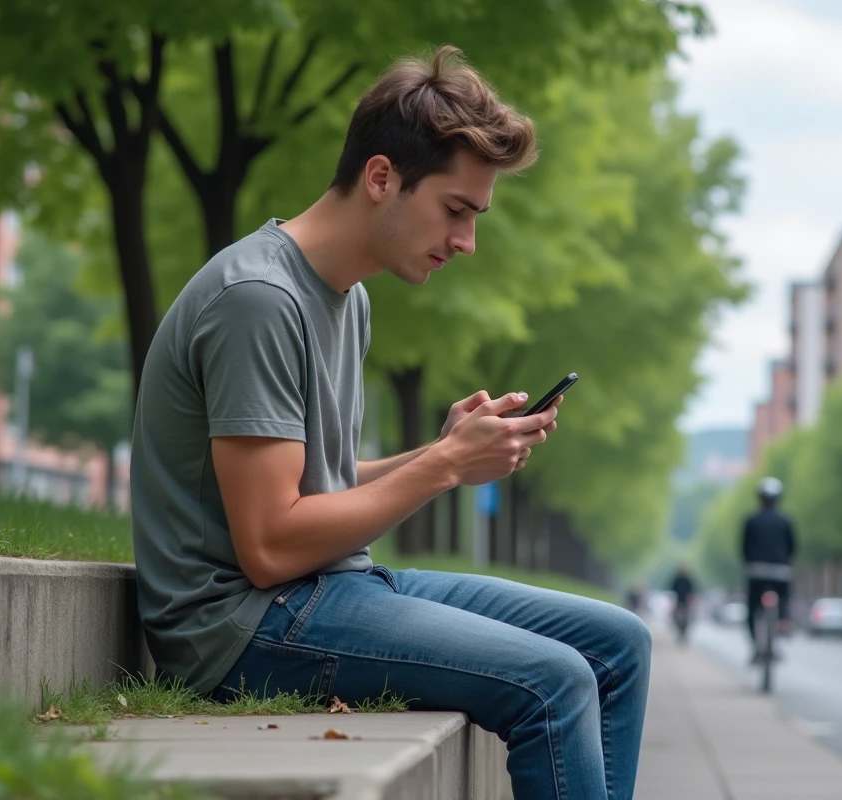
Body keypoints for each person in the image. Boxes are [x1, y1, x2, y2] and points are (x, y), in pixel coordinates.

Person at [128, 46, 651, 800]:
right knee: (556, 681)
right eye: (456, 211)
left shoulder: (346, 296)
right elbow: (271, 545)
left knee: (620, 644)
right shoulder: (260, 301)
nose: (467, 242)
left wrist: (441, 451)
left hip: (330, 589)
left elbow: (318, 487)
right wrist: (442, 469)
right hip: (241, 628)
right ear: (382, 178)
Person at [741, 477, 796, 663]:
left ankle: (757, 646)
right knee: (785, 596)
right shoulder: (786, 521)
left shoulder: (751, 520)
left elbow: (744, 547)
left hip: (756, 571)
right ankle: (784, 619)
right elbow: (792, 547)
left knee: (751, 608)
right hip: (780, 571)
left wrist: (750, 562)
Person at [668, 564, 696, 645]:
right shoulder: (676, 580)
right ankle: (680, 632)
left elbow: (692, 590)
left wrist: (691, 599)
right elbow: (672, 591)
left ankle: (683, 634)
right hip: (678, 602)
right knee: (676, 619)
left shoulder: (688, 580)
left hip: (686, 603)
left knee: (686, 619)